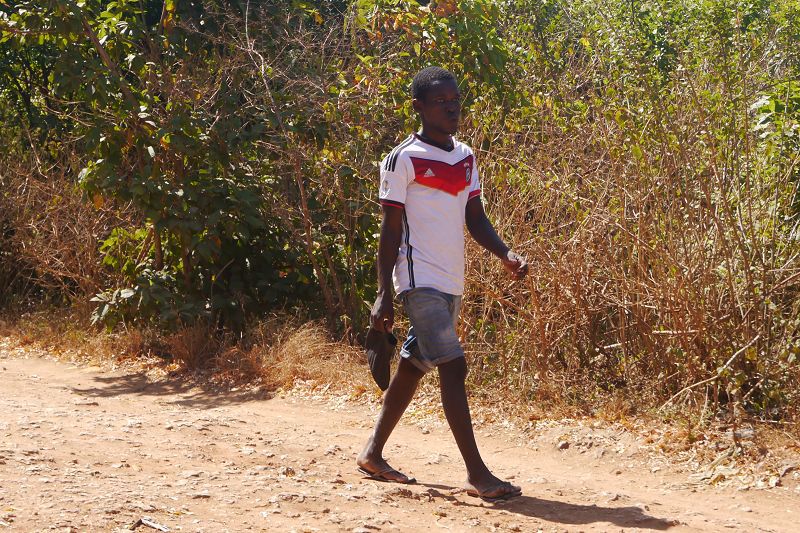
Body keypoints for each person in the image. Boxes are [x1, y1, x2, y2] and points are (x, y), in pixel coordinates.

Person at [357, 66, 529, 502]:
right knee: (454, 365)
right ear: (419, 107)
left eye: (455, 100)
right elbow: (389, 231)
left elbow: (475, 217)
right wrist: (383, 293)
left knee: (415, 364)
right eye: (441, 102)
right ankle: (478, 474)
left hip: (452, 277)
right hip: (417, 279)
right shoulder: (402, 159)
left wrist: (505, 253)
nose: (452, 108)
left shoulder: (465, 156)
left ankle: (372, 454)